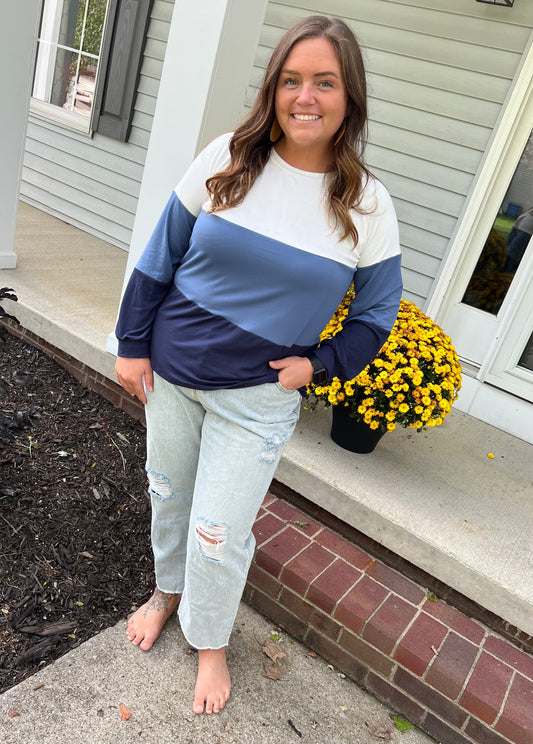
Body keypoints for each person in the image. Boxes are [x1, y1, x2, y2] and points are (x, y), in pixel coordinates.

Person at [114, 15, 402, 715]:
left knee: (218, 529)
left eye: (324, 82)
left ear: (348, 97)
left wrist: (319, 368)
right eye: (292, 80)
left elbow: (376, 316)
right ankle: (165, 594)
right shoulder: (226, 157)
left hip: (258, 397)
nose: (306, 97)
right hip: (174, 378)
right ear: (273, 89)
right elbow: (159, 256)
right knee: (170, 499)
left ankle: (209, 643)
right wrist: (131, 342)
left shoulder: (365, 205)